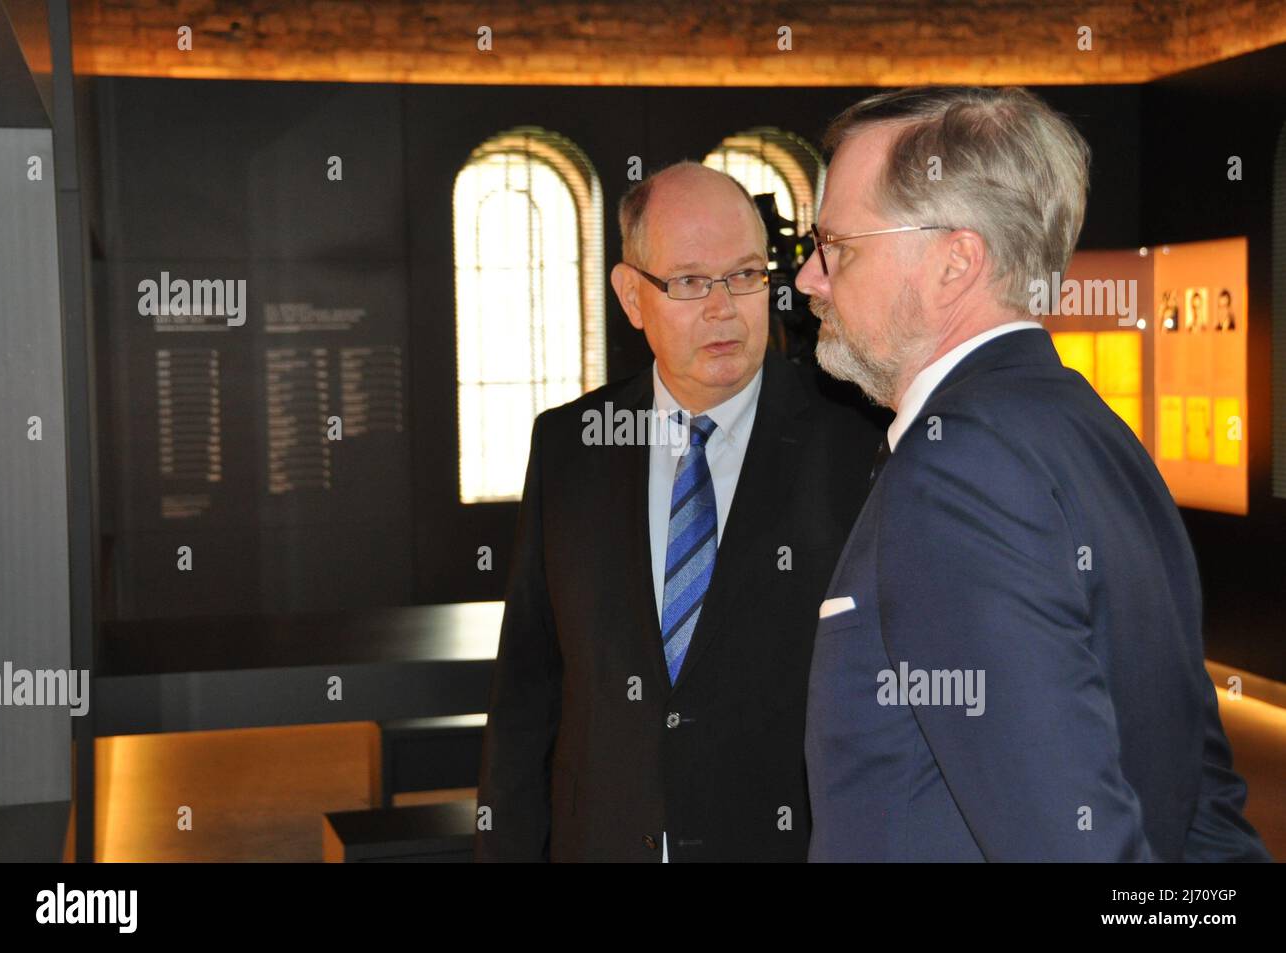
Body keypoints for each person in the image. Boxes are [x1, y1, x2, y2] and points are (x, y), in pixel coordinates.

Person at [796, 86, 1271, 862]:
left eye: (837, 246)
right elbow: (1204, 813)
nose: (811, 279)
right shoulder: (1104, 439)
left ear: (955, 262)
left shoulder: (957, 468)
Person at [475, 161, 881, 861]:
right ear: (633, 297)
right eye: (691, 282)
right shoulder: (571, 445)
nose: (724, 308)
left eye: (747, 274)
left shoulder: (855, 440)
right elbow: (527, 693)